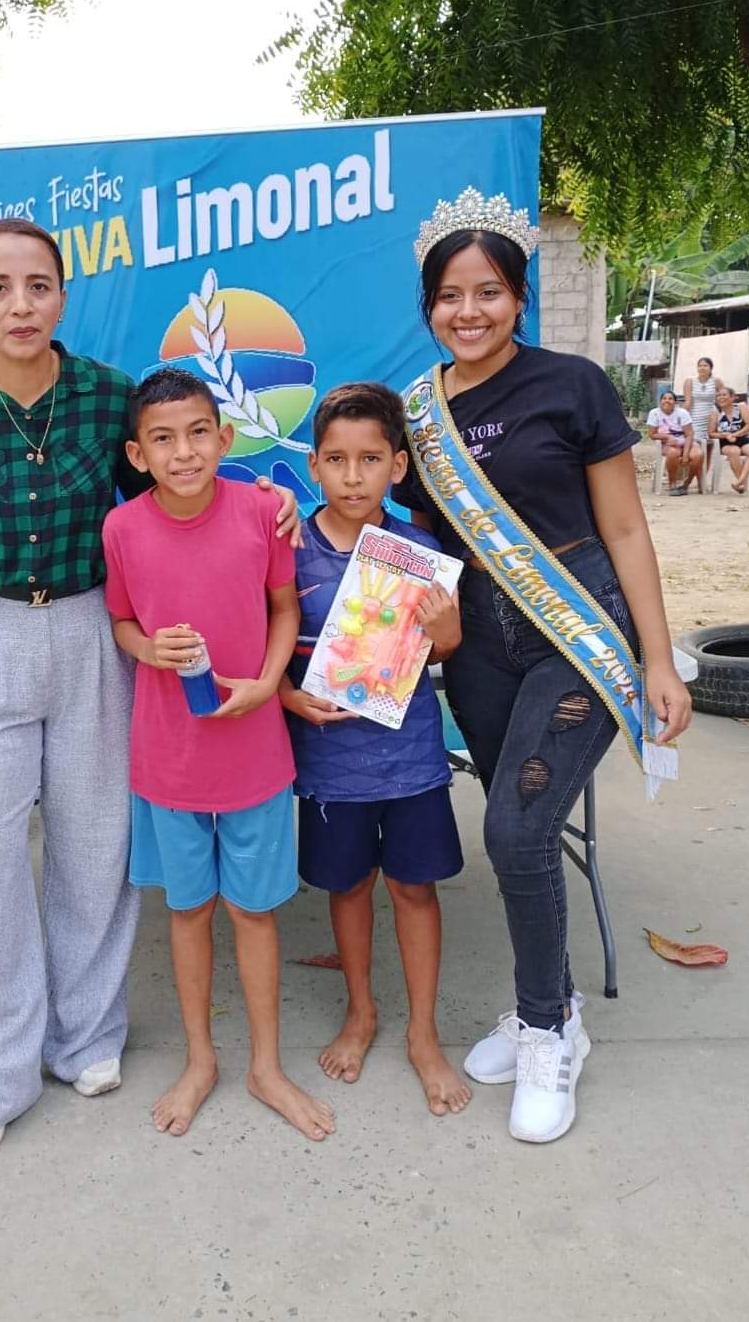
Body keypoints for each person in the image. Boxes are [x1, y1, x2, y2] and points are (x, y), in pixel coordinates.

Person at [0, 220, 300, 1161]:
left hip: (93, 631)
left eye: (38, 285)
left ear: (62, 295)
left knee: (92, 848)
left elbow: (181, 480)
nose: (20, 305)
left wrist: (274, 497)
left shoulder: (106, 395)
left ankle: (84, 1036)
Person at [393, 187, 692, 1144]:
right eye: (448, 295)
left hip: (576, 620)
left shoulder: (573, 384)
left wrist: (657, 657)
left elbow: (625, 527)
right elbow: (424, 540)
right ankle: (548, 1004)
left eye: (487, 291)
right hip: (481, 639)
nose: (467, 311)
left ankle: (546, 1033)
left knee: (516, 830)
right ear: (428, 306)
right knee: (515, 828)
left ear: (518, 298)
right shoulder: (418, 414)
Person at [102, 367, 334, 1144]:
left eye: (198, 432)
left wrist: (268, 682)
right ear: (137, 454)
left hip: (254, 755)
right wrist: (149, 649)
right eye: (163, 439)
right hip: (167, 759)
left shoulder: (263, 511)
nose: (184, 452)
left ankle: (265, 1065)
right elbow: (121, 622)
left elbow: (283, 606)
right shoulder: (122, 528)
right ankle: (200, 1059)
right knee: (187, 909)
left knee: (253, 911)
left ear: (225, 437)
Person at [279, 382, 469, 1116]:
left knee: (415, 889)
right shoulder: (289, 549)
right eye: (336, 459)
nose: (353, 476)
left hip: (410, 759)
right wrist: (289, 697)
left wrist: (446, 631)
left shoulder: (420, 553)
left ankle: (423, 1032)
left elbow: (443, 649)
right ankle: (360, 1010)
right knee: (349, 886)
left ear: (397, 466)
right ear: (314, 466)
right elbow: (266, 645)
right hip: (330, 766)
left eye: (369, 459)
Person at [646, 390, 702, 495]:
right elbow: (652, 435)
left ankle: (686, 484)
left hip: (686, 442)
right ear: (660, 401)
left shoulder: (682, 413)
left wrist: (685, 454)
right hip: (668, 444)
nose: (667, 401)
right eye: (664, 398)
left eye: (670, 399)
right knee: (673, 453)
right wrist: (667, 437)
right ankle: (672, 484)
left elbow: (689, 434)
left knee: (697, 455)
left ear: (675, 402)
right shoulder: (654, 413)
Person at [709, 385, 749, 493]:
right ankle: (741, 483)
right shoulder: (716, 412)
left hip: (743, 438)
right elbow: (711, 433)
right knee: (734, 451)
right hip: (726, 442)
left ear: (733, 397)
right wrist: (725, 435)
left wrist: (735, 435)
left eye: (724, 395)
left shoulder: (741, 406)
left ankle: (740, 481)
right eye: (718, 395)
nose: (721, 397)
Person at [682, 355, 721, 480]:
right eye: (700, 365)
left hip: (710, 418)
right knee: (694, 447)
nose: (702, 368)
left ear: (711, 368)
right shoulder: (690, 382)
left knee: (708, 449)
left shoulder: (716, 381)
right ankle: (688, 478)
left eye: (705, 365)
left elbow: (723, 399)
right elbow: (688, 402)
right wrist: (681, 418)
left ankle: (702, 480)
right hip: (694, 417)